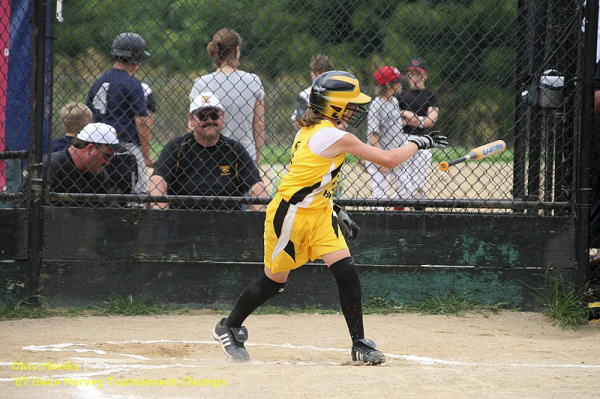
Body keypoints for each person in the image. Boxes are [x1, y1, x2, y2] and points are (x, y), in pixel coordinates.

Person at [211, 71, 447, 364]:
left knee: (346, 270)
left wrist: (335, 209)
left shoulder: (313, 131)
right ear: (333, 106)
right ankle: (229, 326)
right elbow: (388, 160)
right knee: (274, 283)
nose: (354, 109)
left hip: (320, 213)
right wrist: (419, 142)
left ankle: (359, 343)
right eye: (349, 104)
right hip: (291, 216)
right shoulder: (331, 135)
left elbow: (315, 178)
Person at [149, 92, 266, 211]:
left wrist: (260, 218)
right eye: (203, 116)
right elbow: (158, 180)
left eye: (215, 115)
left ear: (223, 116)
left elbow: (256, 186)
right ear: (191, 119)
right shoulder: (176, 148)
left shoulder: (235, 150)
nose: (210, 120)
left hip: (228, 221)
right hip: (183, 221)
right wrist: (162, 217)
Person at [86, 32, 154, 196]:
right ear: (136, 59)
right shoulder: (132, 83)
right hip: (126, 147)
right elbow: (142, 122)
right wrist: (146, 156)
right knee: (137, 196)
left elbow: (88, 115)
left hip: (98, 147)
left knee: (102, 192)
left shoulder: (99, 81)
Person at [189, 28, 265, 165]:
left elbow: (192, 125)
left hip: (210, 156)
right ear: (237, 50)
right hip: (245, 155)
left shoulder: (201, 83)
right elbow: (259, 125)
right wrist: (256, 161)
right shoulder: (253, 81)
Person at [42, 122, 125, 207]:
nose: (108, 163)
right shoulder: (50, 167)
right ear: (90, 148)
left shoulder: (100, 175)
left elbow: (106, 213)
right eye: (106, 156)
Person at [366, 66, 413, 209]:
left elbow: (393, 124)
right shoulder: (377, 104)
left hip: (396, 155)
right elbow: (372, 134)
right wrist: (381, 161)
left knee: (405, 191)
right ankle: (379, 223)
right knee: (381, 195)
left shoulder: (394, 101)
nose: (401, 84)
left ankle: (398, 219)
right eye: (397, 81)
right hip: (381, 158)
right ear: (388, 85)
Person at [395, 58, 441, 204]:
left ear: (425, 75)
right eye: (411, 74)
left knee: (419, 184)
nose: (414, 77)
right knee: (402, 182)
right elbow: (394, 120)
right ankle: (400, 213)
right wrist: (414, 118)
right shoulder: (401, 96)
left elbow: (430, 121)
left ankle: (419, 212)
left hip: (423, 142)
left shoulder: (431, 96)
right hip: (402, 139)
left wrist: (408, 116)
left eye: (418, 74)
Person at [291, 54, 335, 127]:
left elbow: (343, 125)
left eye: (320, 73)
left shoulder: (337, 93)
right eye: (313, 72)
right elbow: (297, 123)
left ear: (328, 73)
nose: (315, 76)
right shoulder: (305, 94)